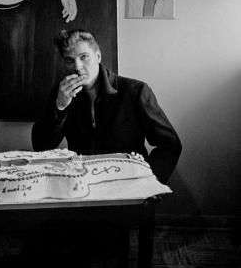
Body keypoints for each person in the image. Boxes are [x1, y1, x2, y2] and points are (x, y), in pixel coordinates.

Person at [32, 29, 182, 185]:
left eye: (84, 57)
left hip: (129, 187)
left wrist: (149, 181)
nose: (78, 67)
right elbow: (41, 147)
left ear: (98, 56)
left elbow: (170, 144)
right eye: (70, 60)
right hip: (83, 188)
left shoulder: (135, 91)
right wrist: (60, 107)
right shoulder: (60, 94)